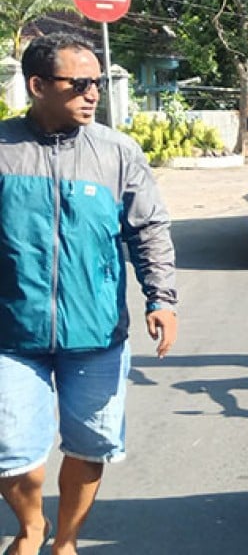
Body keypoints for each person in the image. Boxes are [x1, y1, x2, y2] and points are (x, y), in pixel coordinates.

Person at [1, 33, 178, 555]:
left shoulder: (117, 152)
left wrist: (161, 298)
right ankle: (32, 525)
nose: (92, 92)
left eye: (97, 82)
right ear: (37, 86)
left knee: (92, 444)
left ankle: (67, 541)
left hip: (97, 332)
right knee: (11, 452)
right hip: (11, 333)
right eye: (77, 83)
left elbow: (149, 229)